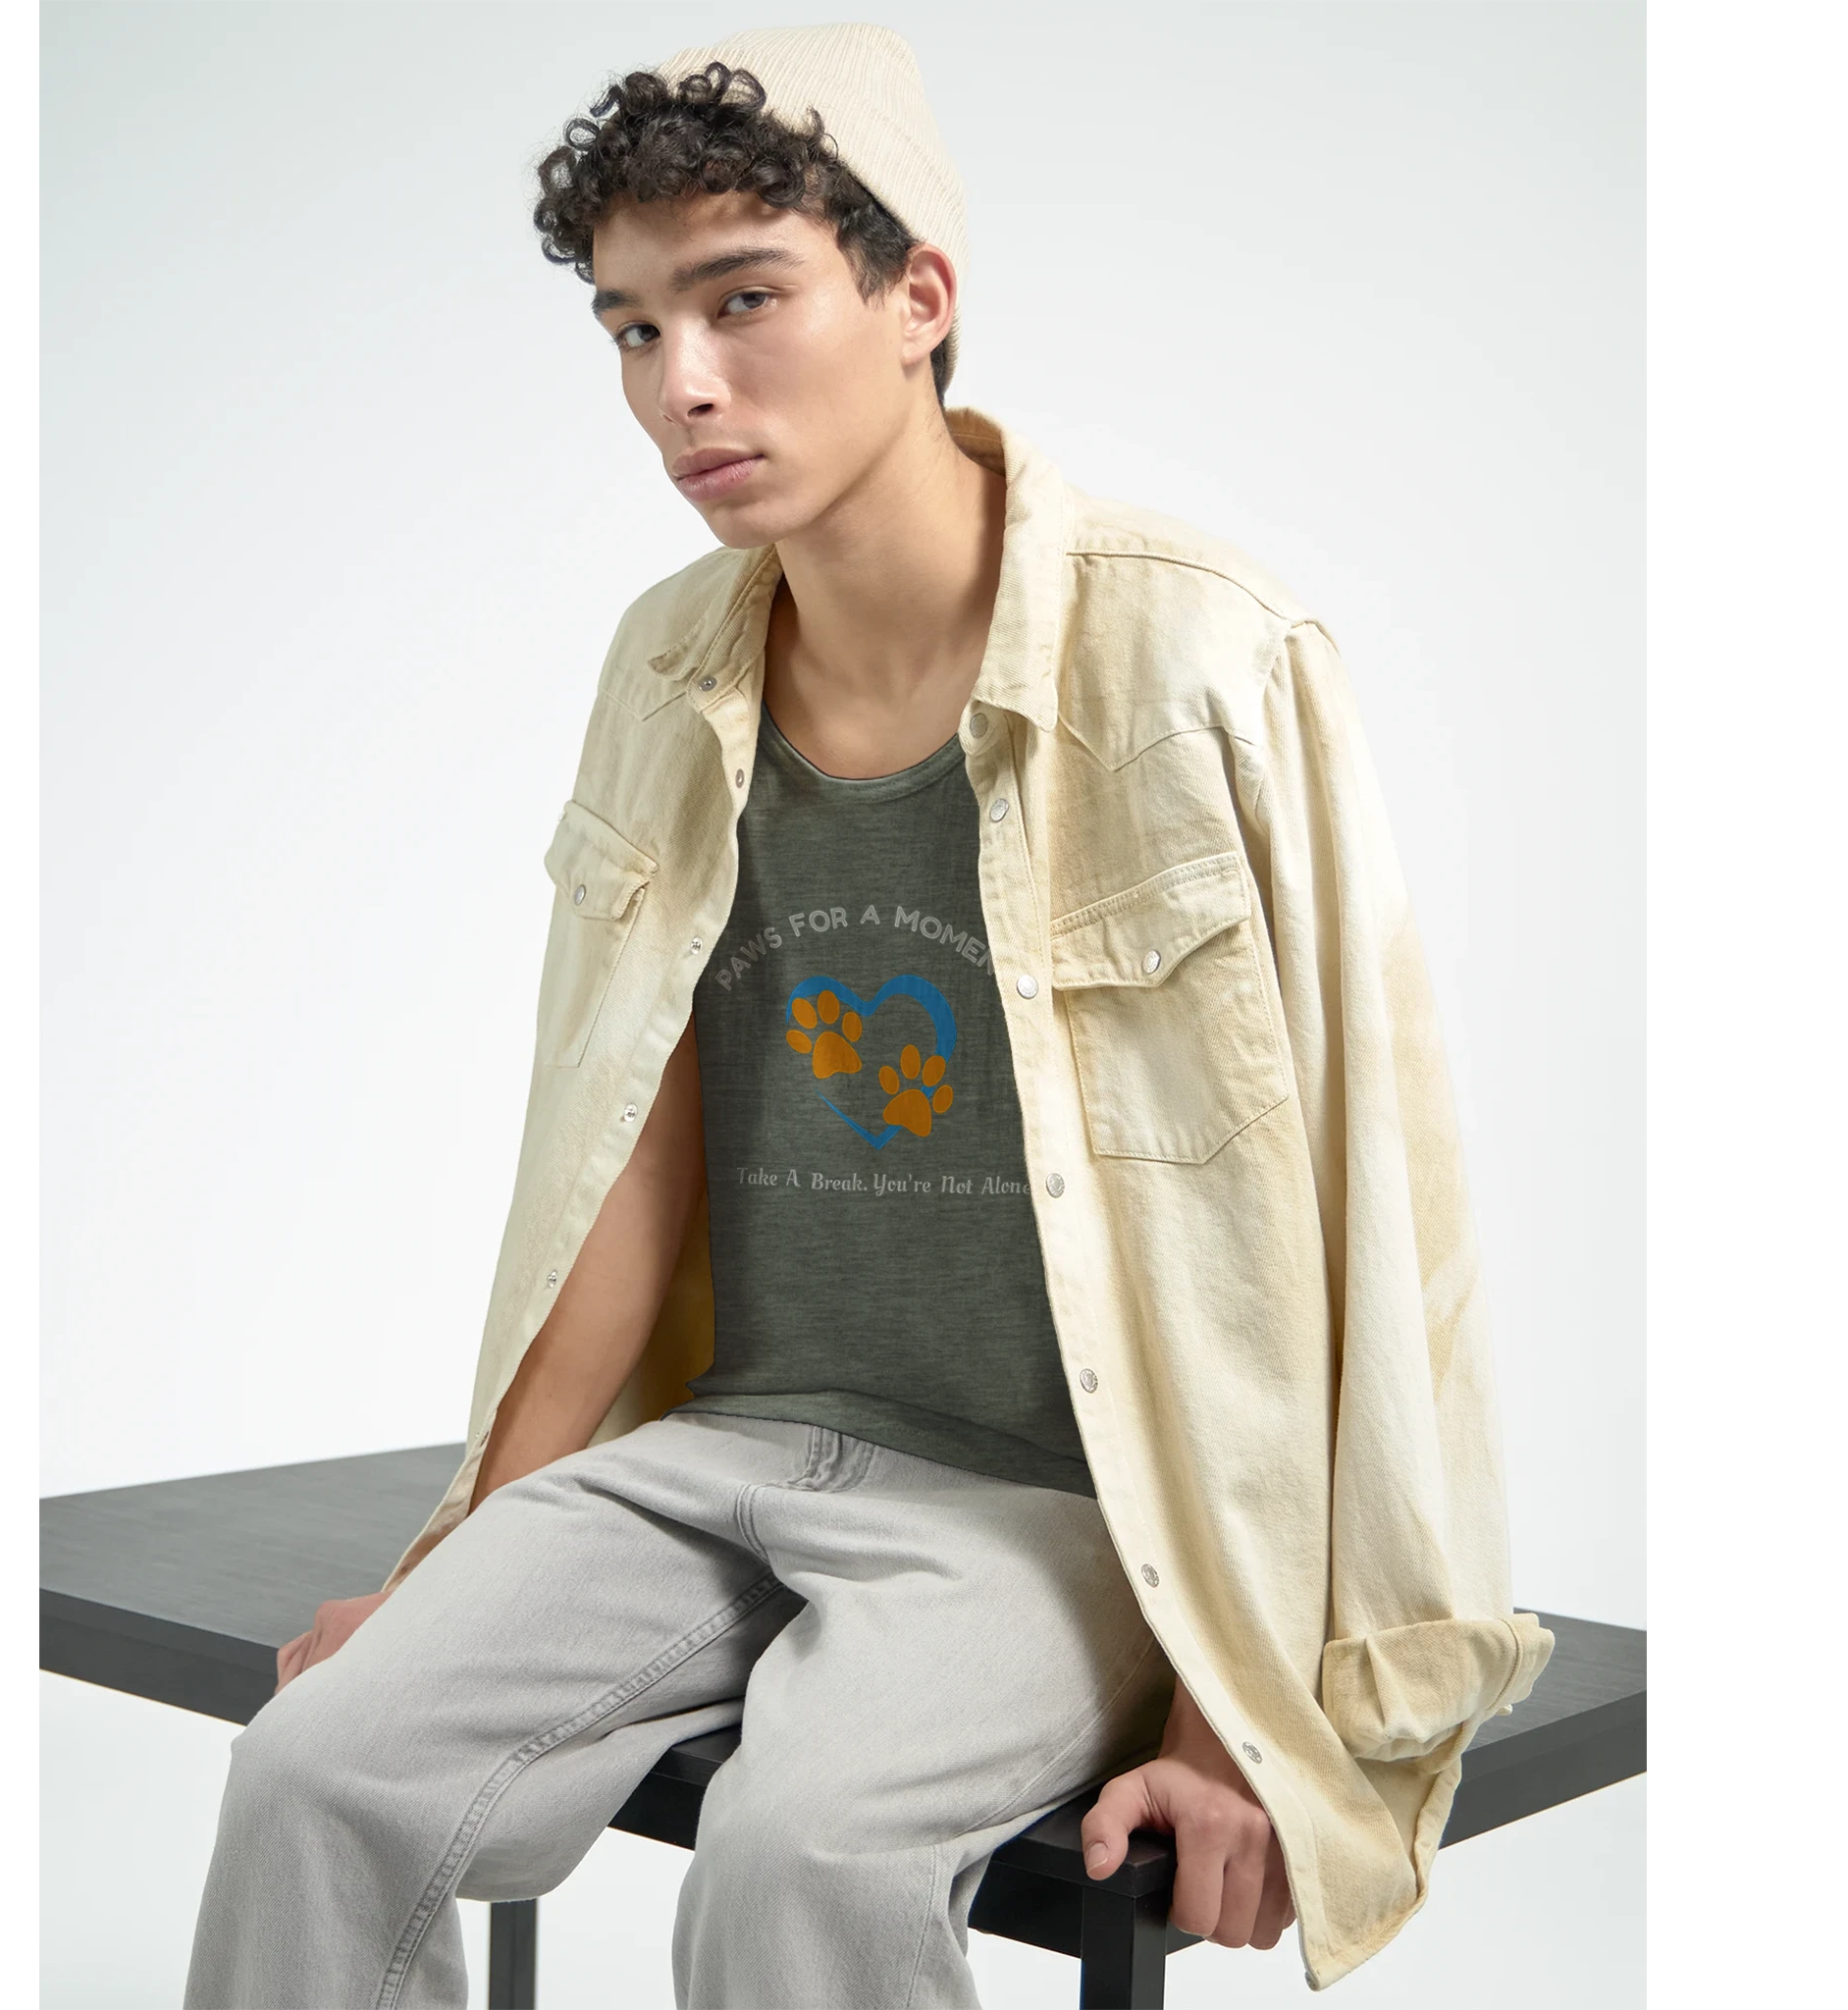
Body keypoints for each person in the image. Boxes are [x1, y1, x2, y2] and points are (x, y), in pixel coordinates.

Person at [183, 24, 1552, 2007]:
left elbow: (1353, 1225)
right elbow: (618, 1171)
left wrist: (1237, 1709)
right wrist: (447, 1569)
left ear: (918, 298)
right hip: (727, 1446)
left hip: (1068, 1506)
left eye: (742, 299)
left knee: (803, 1850)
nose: (682, 383)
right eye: (631, 328)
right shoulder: (668, 666)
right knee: (316, 1767)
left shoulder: (1204, 658)